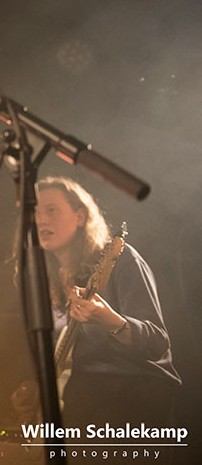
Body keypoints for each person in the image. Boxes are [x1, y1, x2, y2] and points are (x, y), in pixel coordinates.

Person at [10, 177, 180, 458]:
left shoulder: (118, 261)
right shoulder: (44, 281)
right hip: (81, 408)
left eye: (51, 210)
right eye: (35, 212)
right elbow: (60, 359)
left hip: (129, 408)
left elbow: (157, 342)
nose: (40, 219)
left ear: (80, 216)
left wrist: (110, 320)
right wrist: (35, 392)